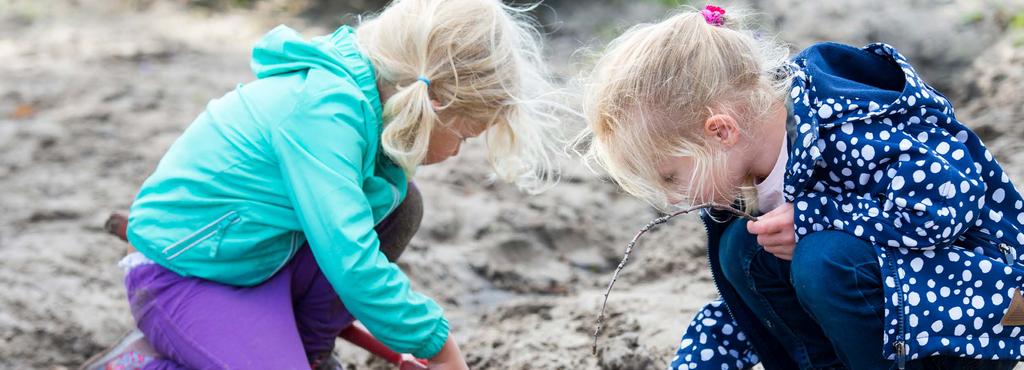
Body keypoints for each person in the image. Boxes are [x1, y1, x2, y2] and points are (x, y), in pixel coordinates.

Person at [92, 0, 565, 368]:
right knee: (377, 221)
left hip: (260, 256)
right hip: (186, 274)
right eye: (464, 135)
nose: (459, 151)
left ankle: (309, 353)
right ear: (432, 104)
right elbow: (349, 257)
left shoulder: (368, 99)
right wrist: (438, 345)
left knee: (400, 206)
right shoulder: (323, 111)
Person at [579, 5, 1024, 370]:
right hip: (895, 314)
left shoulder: (847, 125)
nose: (673, 198)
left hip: (980, 316)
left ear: (720, 131)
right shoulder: (750, 180)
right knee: (743, 251)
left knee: (822, 258)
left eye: (671, 176)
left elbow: (947, 206)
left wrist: (817, 218)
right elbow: (747, 313)